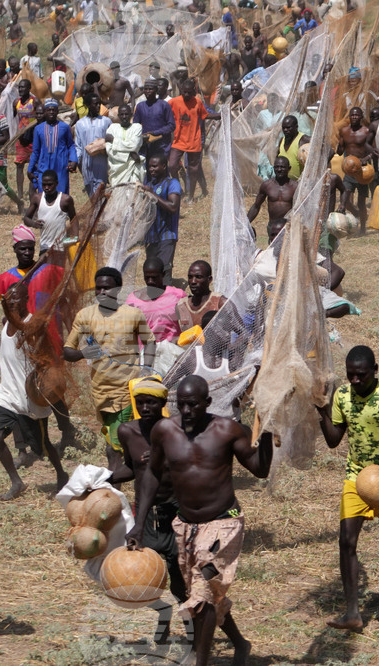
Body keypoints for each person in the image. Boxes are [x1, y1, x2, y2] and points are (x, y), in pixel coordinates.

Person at [132, 375, 269, 665]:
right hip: (187, 526)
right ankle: (240, 643)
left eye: (193, 405)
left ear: (207, 403)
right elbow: (152, 475)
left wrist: (268, 436)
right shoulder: (164, 431)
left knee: (203, 590)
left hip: (224, 521)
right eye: (181, 405)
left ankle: (200, 662)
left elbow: (259, 469)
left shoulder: (227, 430)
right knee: (202, 592)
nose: (187, 411)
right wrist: (139, 523)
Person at [316, 346, 379, 632]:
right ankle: (352, 612)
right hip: (356, 480)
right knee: (346, 542)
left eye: (361, 375)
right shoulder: (342, 396)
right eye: (350, 375)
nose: (355, 380)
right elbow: (334, 440)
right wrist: (321, 410)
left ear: (375, 369)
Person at [111, 378, 187, 644]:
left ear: (163, 404)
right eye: (140, 402)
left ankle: (194, 626)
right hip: (145, 513)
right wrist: (105, 479)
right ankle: (163, 615)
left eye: (151, 402)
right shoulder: (127, 431)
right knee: (144, 578)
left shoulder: (176, 429)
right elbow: (132, 468)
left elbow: (192, 464)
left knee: (179, 577)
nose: (145, 407)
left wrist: (163, 458)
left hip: (175, 509)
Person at [63, 268, 156, 470]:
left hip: (127, 389)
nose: (102, 292)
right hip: (100, 390)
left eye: (107, 288)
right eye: (98, 288)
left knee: (114, 446)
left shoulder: (133, 314)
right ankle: (130, 474)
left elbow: (150, 341)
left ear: (118, 289)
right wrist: (83, 354)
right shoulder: (85, 316)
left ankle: (117, 488)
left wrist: (147, 368)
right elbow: (67, 351)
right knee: (115, 440)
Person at [0, 284, 69, 500]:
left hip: (30, 399)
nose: (12, 303)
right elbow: (6, 355)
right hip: (7, 396)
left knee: (44, 446)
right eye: (9, 299)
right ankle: (16, 482)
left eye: (16, 299)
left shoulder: (34, 326)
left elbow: (48, 356)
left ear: (26, 298)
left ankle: (61, 475)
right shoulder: (5, 324)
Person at [168, 80, 219, 201]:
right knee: (172, 165)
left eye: (189, 92)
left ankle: (191, 196)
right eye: (184, 92)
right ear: (181, 91)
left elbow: (205, 115)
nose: (186, 95)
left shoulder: (198, 102)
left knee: (193, 168)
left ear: (194, 92)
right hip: (178, 141)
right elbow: (164, 111)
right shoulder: (174, 102)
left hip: (194, 141)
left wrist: (220, 115)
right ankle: (178, 188)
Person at [142, 155, 182, 284]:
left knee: (164, 271)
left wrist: (152, 194)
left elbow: (173, 207)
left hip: (166, 235)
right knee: (152, 274)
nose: (151, 169)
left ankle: (168, 299)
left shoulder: (172, 183)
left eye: (154, 166)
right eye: (149, 166)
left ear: (164, 166)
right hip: (151, 237)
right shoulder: (148, 185)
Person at [125, 257, 184, 343]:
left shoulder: (177, 296)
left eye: (154, 277)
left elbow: (188, 325)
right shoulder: (133, 301)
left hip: (172, 352)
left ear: (163, 274)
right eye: (147, 277)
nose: (150, 281)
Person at [27, 100, 76, 195]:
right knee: (43, 195)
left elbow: (71, 145)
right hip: (44, 166)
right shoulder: (38, 129)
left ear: (57, 112)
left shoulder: (64, 127)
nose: (51, 112)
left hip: (60, 166)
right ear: (45, 112)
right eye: (49, 110)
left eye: (54, 110)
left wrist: (73, 160)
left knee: (61, 195)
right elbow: (36, 151)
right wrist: (30, 168)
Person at [22, 170, 76, 253]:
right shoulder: (37, 198)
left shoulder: (65, 200)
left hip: (60, 248)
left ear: (56, 183)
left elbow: (74, 220)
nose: (46, 187)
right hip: (44, 247)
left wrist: (75, 239)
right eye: (44, 185)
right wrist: (34, 224)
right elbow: (26, 218)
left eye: (50, 185)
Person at [339, 107, 372, 230]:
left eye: (356, 115)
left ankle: (363, 227)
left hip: (362, 172)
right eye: (352, 115)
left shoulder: (366, 131)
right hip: (348, 170)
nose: (354, 117)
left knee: (361, 202)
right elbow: (340, 149)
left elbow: (373, 150)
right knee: (345, 199)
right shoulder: (344, 131)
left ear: (361, 117)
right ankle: (355, 214)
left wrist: (366, 158)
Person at [72, 92, 111, 197]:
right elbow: (78, 146)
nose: (98, 106)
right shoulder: (80, 124)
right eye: (95, 104)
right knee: (91, 193)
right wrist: (76, 161)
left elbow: (110, 141)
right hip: (86, 164)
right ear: (88, 105)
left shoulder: (106, 121)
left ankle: (99, 213)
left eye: (99, 103)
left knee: (100, 190)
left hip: (101, 162)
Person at [176, 261, 227, 331]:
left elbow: (243, 333)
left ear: (209, 279)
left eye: (198, 277)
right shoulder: (181, 306)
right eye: (190, 277)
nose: (193, 281)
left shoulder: (220, 303)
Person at [247, 156, 297, 226]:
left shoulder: (295, 187)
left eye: (282, 167)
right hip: (273, 227)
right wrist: (246, 224)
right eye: (277, 167)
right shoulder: (267, 185)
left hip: (289, 227)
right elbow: (256, 206)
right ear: (273, 168)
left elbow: (301, 209)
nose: (279, 169)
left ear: (289, 168)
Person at [134, 80, 176, 159]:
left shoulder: (164, 105)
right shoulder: (140, 106)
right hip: (145, 145)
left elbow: (171, 125)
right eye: (146, 89)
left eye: (150, 89)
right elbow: (135, 125)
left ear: (156, 90)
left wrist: (155, 133)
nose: (148, 91)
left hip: (162, 145)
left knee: (160, 169)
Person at [13, 79, 40, 201]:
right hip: (21, 138)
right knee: (19, 165)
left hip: (33, 137)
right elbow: (15, 118)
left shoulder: (35, 101)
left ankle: (33, 190)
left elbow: (41, 116)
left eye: (23, 87)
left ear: (29, 89)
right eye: (19, 87)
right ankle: (19, 195)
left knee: (35, 165)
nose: (20, 90)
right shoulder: (16, 103)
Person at [105, 103, 144, 186]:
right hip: (116, 171)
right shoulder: (112, 128)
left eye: (126, 114)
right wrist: (130, 155)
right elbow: (109, 150)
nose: (124, 117)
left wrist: (114, 140)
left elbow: (134, 146)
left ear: (131, 115)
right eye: (122, 114)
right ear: (118, 116)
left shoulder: (137, 127)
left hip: (132, 169)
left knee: (133, 194)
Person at [277, 114, 309, 181]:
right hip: (285, 185)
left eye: (288, 128)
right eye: (283, 128)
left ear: (296, 127)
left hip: (299, 185)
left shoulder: (303, 139)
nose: (285, 130)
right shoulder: (282, 140)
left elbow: (328, 150)